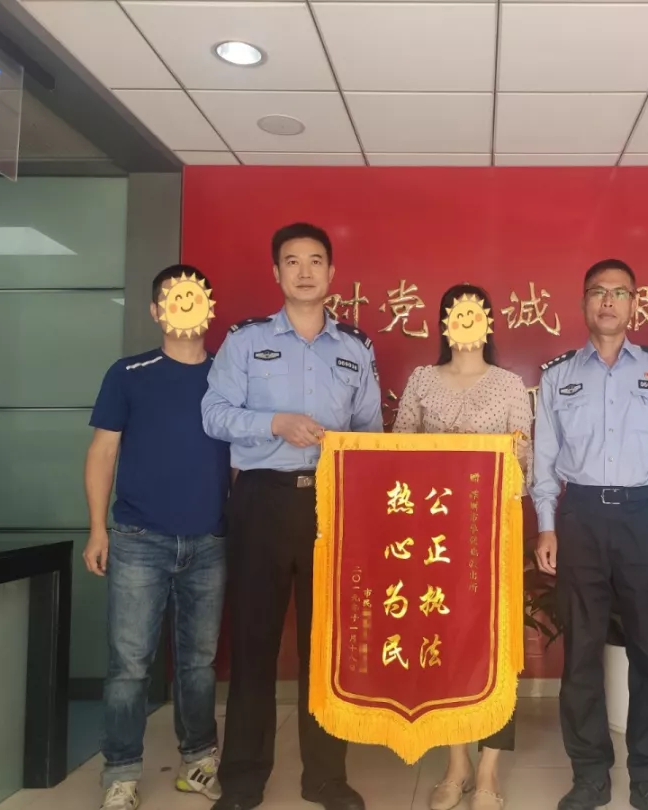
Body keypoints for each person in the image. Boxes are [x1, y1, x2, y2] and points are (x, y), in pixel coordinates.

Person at [201, 223, 382, 810]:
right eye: (292, 261)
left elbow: (370, 432)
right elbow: (213, 415)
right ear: (275, 272)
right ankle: (243, 779)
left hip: (332, 505)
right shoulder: (245, 341)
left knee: (325, 646)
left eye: (315, 261)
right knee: (253, 644)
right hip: (262, 499)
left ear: (333, 274)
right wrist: (274, 423)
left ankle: (325, 777)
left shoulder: (355, 348)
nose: (305, 271)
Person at [532, 259, 648, 810]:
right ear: (584, 302)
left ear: (634, 303)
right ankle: (590, 775)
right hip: (580, 516)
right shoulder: (558, 376)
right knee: (581, 652)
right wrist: (546, 526)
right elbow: (543, 460)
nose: (608, 301)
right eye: (598, 292)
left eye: (619, 292)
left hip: (643, 517)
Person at [83, 264, 230, 810]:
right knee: (129, 666)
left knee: (198, 663)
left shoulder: (229, 376)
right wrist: (97, 528)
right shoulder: (129, 373)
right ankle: (121, 774)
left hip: (210, 541)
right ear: (155, 310)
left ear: (208, 306)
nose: (184, 304)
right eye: (173, 296)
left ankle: (198, 760)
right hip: (138, 539)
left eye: (194, 296)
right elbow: (102, 452)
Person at [391, 284, 532, 810]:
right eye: (458, 313)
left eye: (477, 313)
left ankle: (489, 769)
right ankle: (456, 763)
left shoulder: (510, 385)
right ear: (444, 322)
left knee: (497, 649)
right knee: (443, 645)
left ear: (489, 322)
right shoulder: (422, 380)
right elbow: (398, 452)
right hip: (434, 539)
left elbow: (524, 464)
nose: (467, 321)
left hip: (491, 535)